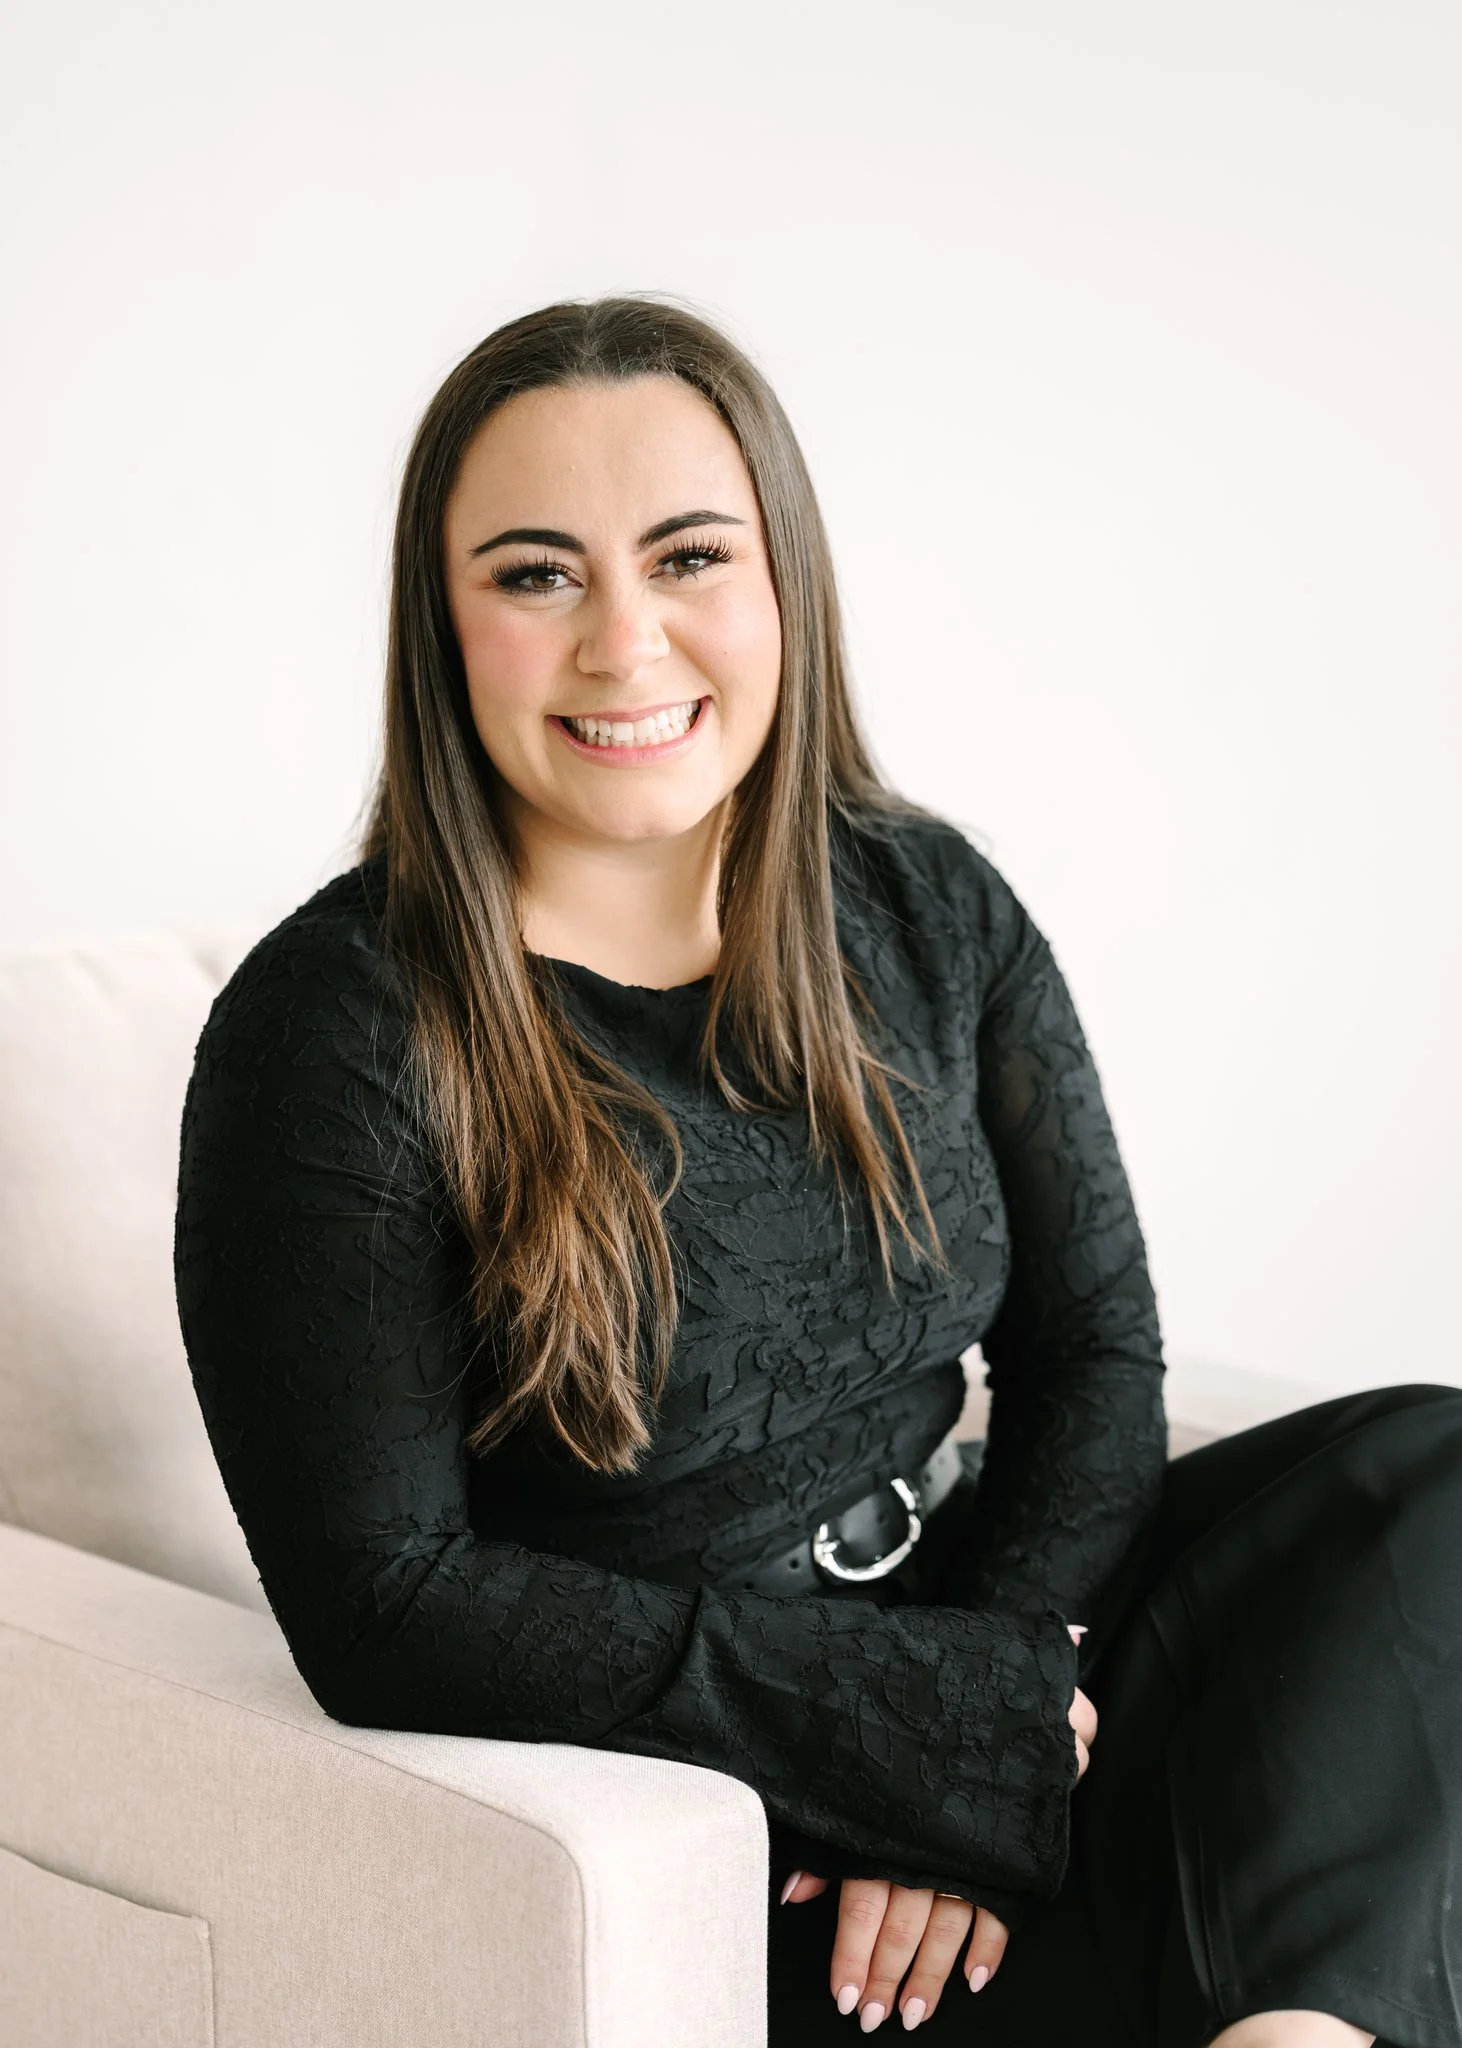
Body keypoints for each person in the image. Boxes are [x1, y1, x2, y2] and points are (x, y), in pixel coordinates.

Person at [173, 294, 1462, 2047]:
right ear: (439, 623)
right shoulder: (330, 1034)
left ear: (782, 580)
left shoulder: (928, 906)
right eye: (536, 574)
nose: (624, 642)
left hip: (1014, 1643)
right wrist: (887, 1741)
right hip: (726, 1799)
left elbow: (1091, 1355)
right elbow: (386, 1604)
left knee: (1426, 1473)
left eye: (687, 556)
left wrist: (991, 1707)